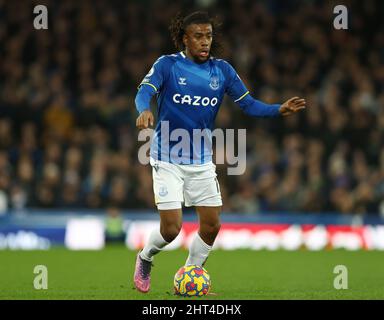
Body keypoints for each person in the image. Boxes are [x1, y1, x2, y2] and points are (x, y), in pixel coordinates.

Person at [133, 11, 306, 293]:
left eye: (209, 36)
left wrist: (278, 109)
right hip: (167, 159)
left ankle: (191, 273)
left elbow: (248, 104)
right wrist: (143, 110)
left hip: (201, 161)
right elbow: (144, 91)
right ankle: (145, 257)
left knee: (212, 225)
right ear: (184, 39)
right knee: (171, 229)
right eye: (198, 36)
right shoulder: (167, 65)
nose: (204, 42)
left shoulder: (222, 71)